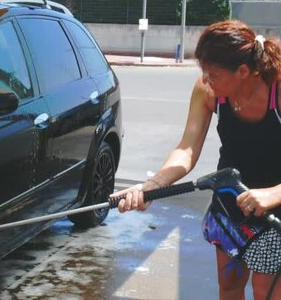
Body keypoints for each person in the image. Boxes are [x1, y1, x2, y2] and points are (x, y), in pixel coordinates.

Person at [110, 20, 281, 300]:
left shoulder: (277, 87)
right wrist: (151, 185)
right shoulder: (207, 90)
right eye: (204, 71)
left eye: (213, 74)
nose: (206, 80)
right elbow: (187, 149)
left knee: (266, 292)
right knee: (229, 287)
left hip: (275, 207)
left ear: (243, 71)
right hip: (231, 199)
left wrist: (274, 194)